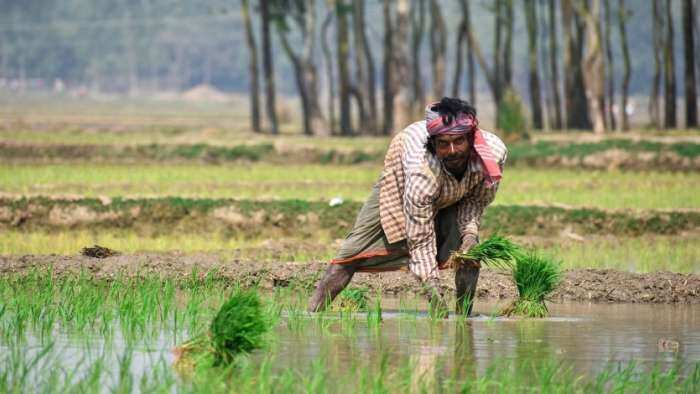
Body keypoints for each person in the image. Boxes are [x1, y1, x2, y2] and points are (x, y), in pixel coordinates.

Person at [307, 97, 507, 316]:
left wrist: (469, 234)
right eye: (443, 144)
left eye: (459, 141)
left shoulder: (493, 154)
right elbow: (420, 240)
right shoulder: (421, 170)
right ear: (433, 144)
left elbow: (475, 200)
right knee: (351, 253)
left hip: (452, 192)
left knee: (470, 253)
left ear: (471, 138)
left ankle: (464, 317)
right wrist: (433, 293)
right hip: (402, 183)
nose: (452, 151)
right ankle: (312, 314)